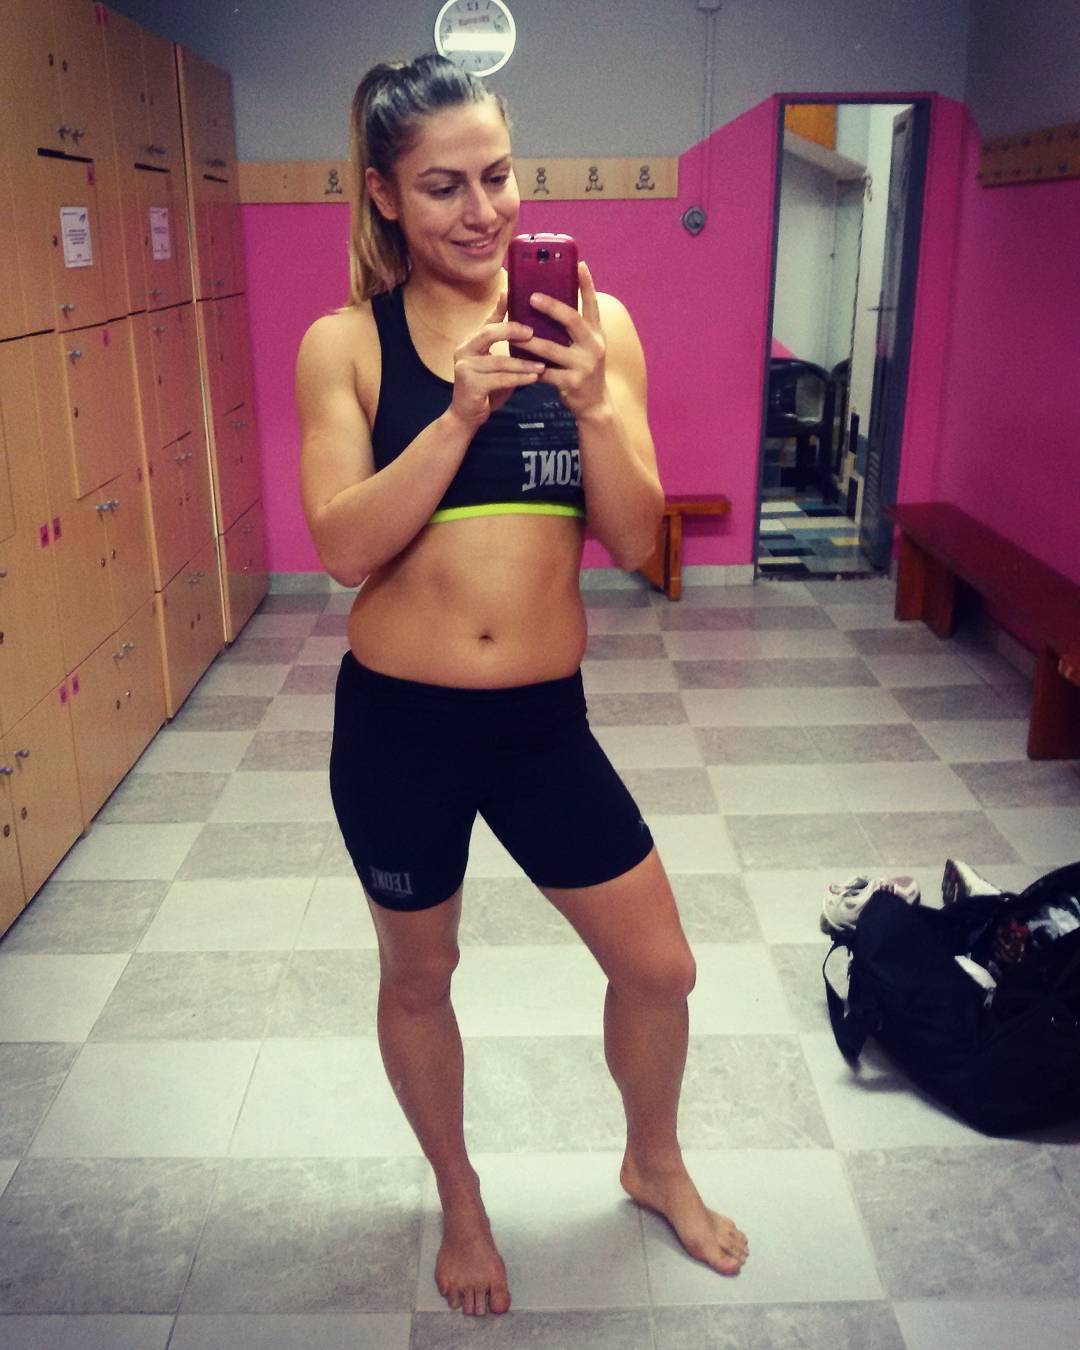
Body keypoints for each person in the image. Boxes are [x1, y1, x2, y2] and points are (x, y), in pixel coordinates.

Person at [295, 53, 749, 1318]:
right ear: (384, 194)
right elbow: (340, 549)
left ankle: (653, 1163)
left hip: (543, 726)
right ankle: (461, 1198)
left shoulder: (595, 326)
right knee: (420, 976)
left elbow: (638, 535)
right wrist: (454, 417)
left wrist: (594, 404)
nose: (482, 210)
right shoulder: (347, 345)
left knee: (660, 968)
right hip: (401, 728)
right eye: (444, 186)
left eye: (498, 175)